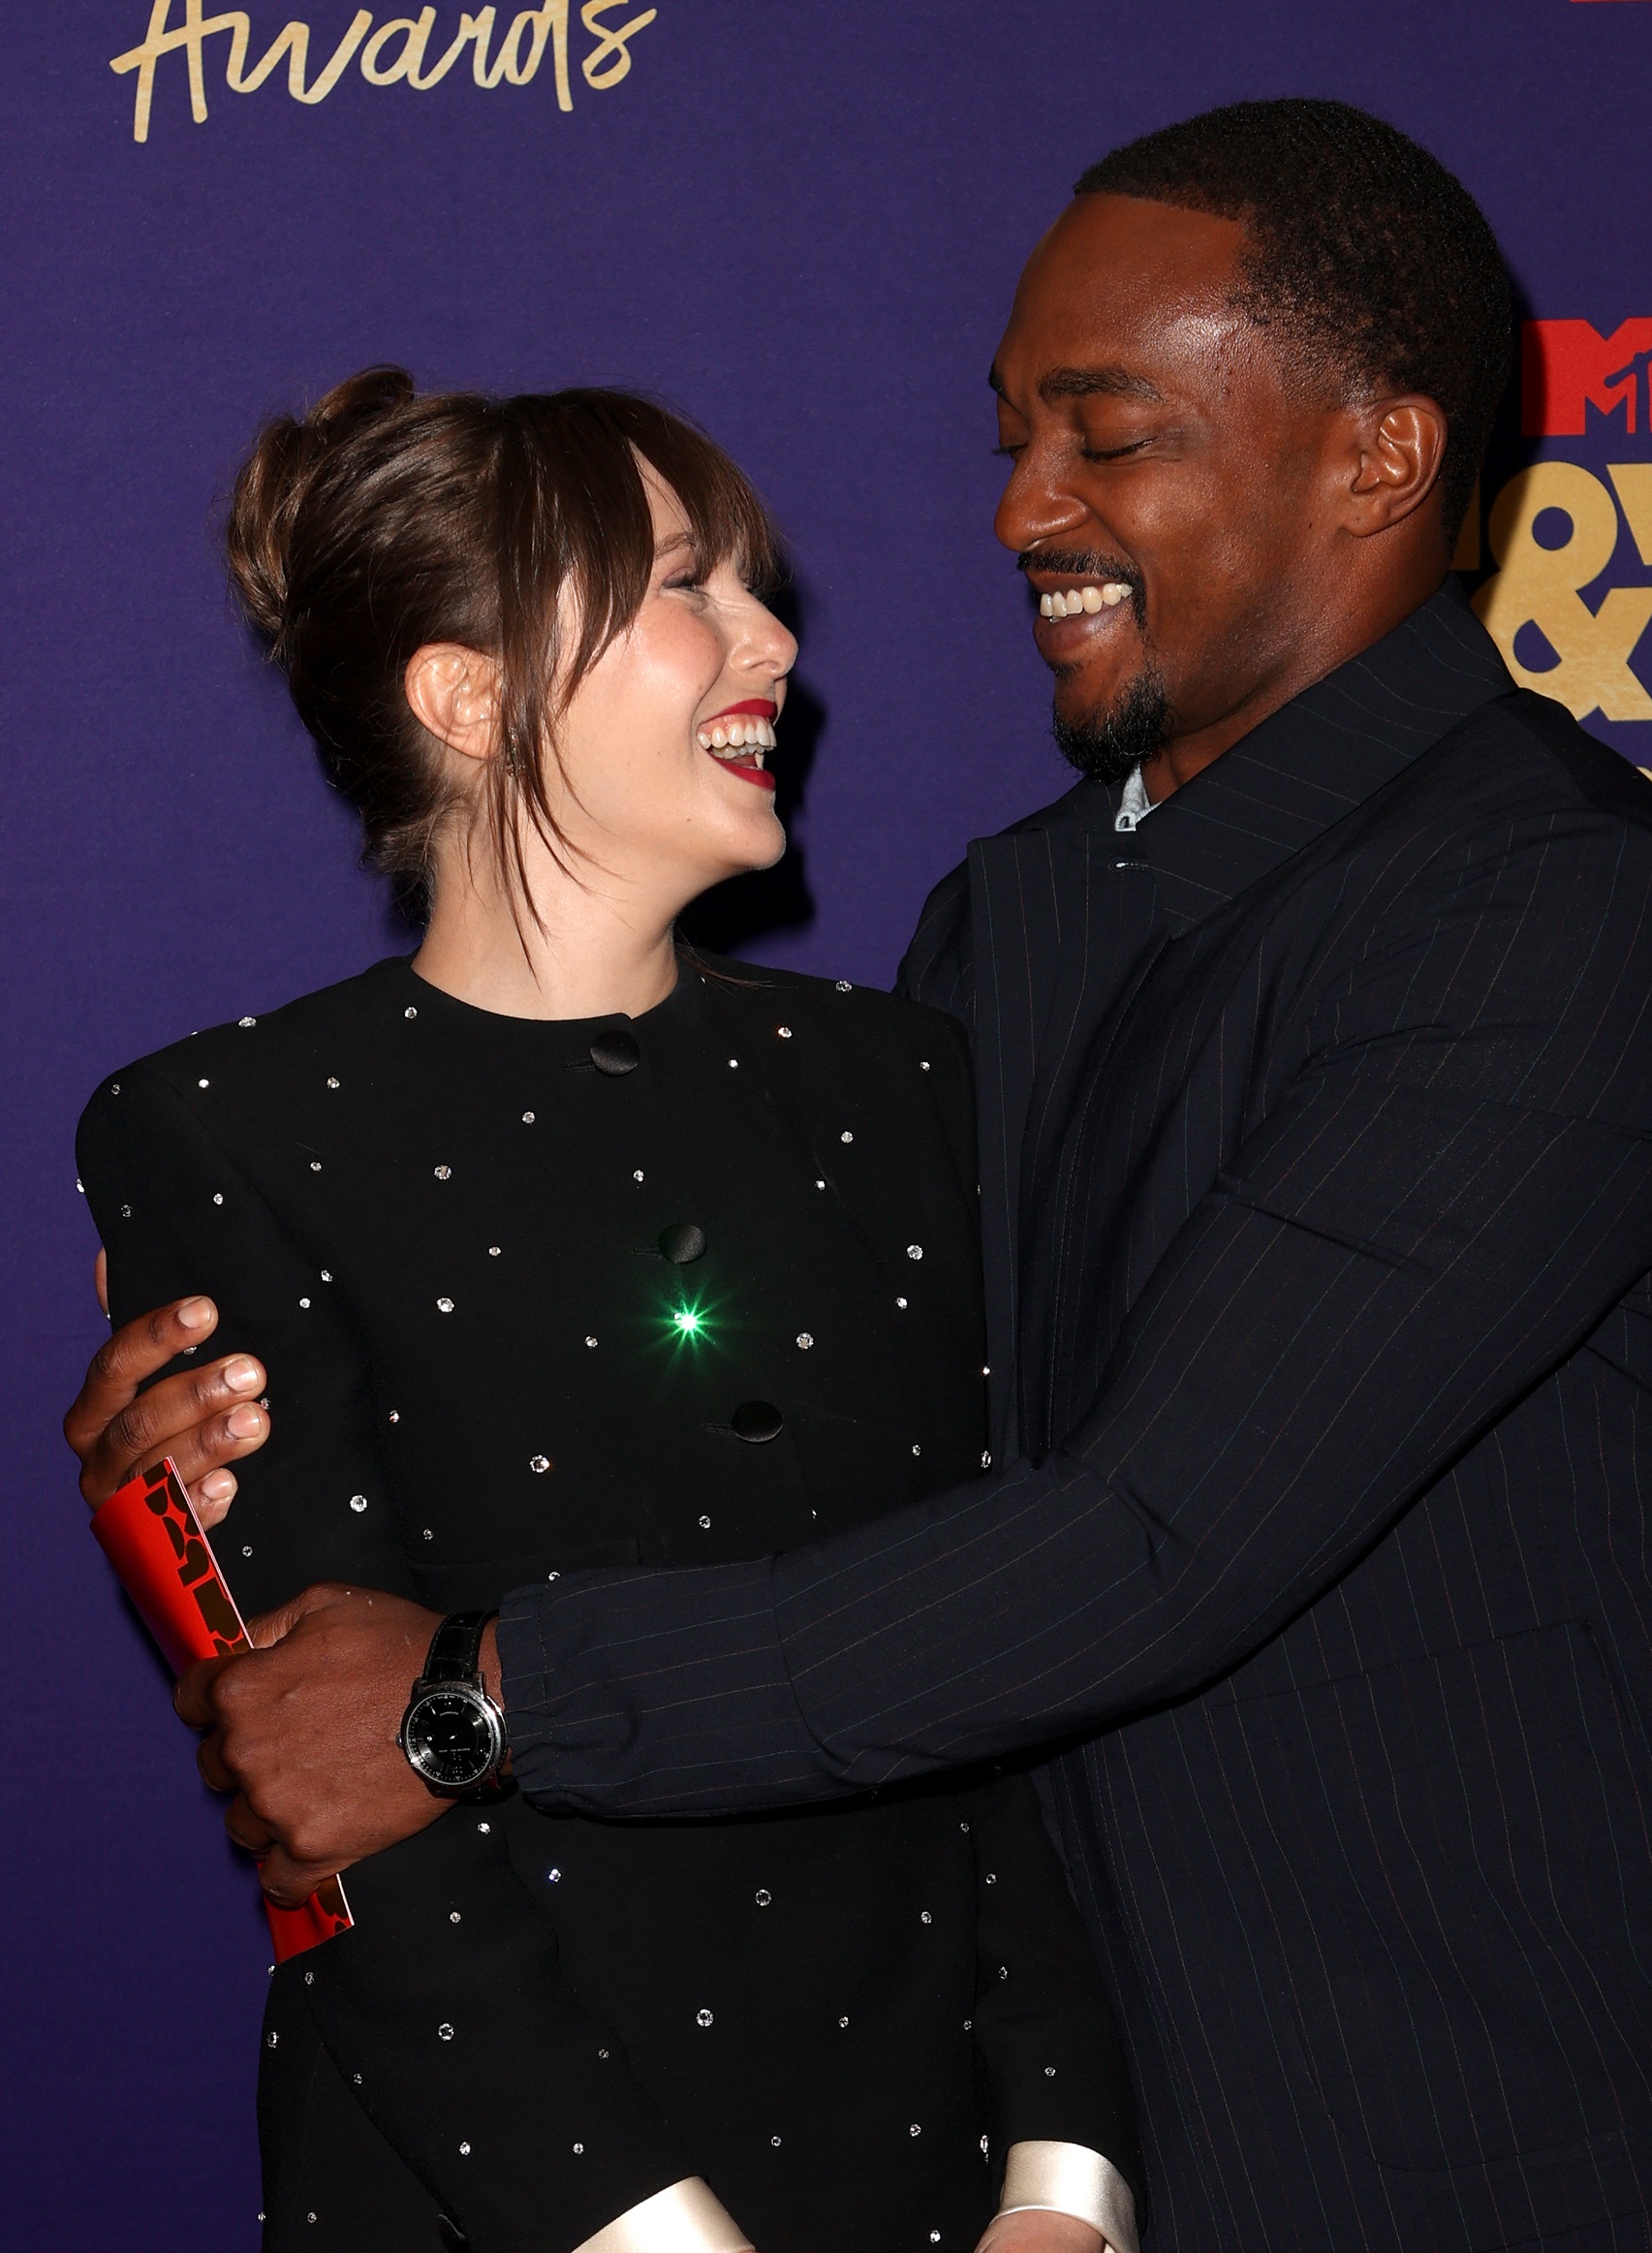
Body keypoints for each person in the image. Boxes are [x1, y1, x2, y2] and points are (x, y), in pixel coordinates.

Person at [71, 102, 1652, 2253]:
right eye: (1017, 430)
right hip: (1111, 2142)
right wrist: (188, 1495)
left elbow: (1152, 1535)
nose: (1028, 506)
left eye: (1107, 433)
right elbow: (880, 1494)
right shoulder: (1004, 933)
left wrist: (470, 1693)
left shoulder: (1540, 915)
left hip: (1547, 2128)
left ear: (1376, 460)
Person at [72, 369, 1141, 2253]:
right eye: (684, 586)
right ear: (467, 694)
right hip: (508, 2198)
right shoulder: (219, 1131)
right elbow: (337, 1808)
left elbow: (1005, 1644)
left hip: (949, 2187)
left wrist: (1062, 2174)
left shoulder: (908, 1084)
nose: (775, 641)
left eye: (752, 583)